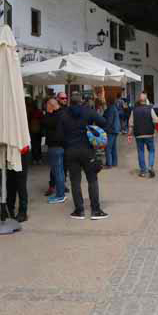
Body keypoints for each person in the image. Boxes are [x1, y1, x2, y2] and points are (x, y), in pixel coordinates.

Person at [59, 91, 108, 220]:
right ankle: (95, 211)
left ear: (70, 101)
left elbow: (60, 135)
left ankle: (79, 211)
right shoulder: (88, 111)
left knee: (75, 182)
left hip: (71, 151)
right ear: (81, 100)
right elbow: (103, 121)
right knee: (92, 180)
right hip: (87, 150)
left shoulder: (63, 114)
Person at [42, 97, 67, 203]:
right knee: (60, 171)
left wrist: (48, 112)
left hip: (55, 147)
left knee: (58, 172)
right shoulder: (63, 113)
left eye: (47, 105)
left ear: (51, 106)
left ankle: (60, 195)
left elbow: (45, 123)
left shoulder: (53, 116)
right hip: (62, 146)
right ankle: (61, 193)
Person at [128, 93, 158, 177]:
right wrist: (155, 128)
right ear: (146, 100)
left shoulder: (134, 110)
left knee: (141, 152)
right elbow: (156, 120)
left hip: (138, 134)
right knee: (151, 150)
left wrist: (129, 134)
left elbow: (131, 124)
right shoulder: (150, 109)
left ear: (139, 100)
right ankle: (150, 166)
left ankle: (143, 171)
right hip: (149, 134)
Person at [4, 146, 30, 222]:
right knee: (10, 183)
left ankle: (23, 212)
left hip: (22, 153)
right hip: (12, 154)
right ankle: (9, 210)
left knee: (21, 184)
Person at [103, 96, 123, 168]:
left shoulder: (111, 109)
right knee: (113, 147)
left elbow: (109, 121)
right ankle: (114, 162)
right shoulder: (114, 108)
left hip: (111, 130)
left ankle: (109, 164)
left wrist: (105, 129)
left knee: (108, 147)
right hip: (115, 130)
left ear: (108, 102)